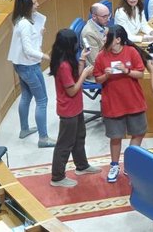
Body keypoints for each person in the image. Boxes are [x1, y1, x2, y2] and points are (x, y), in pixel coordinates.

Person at [93, 25, 151, 183]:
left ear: (117, 39)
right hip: (113, 103)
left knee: (138, 133)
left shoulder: (131, 52)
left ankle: (130, 164)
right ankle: (114, 165)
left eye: (107, 36)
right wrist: (105, 75)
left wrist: (126, 71)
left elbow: (140, 73)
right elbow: (97, 79)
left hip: (133, 101)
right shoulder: (101, 56)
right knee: (116, 137)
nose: (104, 39)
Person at [49, 29, 101, 188]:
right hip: (68, 110)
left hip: (76, 108)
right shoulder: (63, 65)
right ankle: (57, 177)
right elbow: (72, 90)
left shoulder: (67, 60)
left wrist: (82, 62)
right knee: (65, 144)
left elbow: (74, 79)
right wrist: (85, 74)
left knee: (79, 138)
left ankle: (82, 166)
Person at [7, 0, 56, 147]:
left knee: (26, 96)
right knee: (42, 100)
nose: (38, 4)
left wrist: (39, 34)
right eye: (34, 3)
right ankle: (43, 138)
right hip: (29, 66)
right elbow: (29, 50)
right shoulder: (25, 25)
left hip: (21, 64)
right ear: (27, 5)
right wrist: (46, 57)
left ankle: (24, 129)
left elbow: (30, 43)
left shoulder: (20, 20)